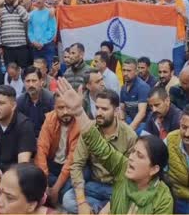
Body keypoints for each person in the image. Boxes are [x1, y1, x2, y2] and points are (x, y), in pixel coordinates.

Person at [56, 77, 173, 214]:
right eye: (133, 152)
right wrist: (78, 111)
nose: (131, 158)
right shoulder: (123, 168)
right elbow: (99, 147)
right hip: (95, 184)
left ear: (153, 169)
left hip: (110, 188)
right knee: (68, 197)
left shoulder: (163, 199)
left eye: (139, 155)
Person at [63, 89, 137, 214]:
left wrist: (110, 205)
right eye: (97, 108)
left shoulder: (130, 136)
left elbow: (129, 176)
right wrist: (81, 202)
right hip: (94, 184)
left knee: (130, 203)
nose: (99, 112)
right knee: (67, 200)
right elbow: (77, 165)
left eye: (104, 109)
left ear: (116, 111)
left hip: (116, 187)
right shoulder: (89, 129)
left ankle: (98, 209)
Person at [34, 92, 81, 205]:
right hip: (53, 165)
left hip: (71, 168)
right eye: (61, 108)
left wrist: (55, 189)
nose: (65, 112)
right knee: (35, 178)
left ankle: (58, 190)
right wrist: (44, 183)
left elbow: (72, 160)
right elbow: (41, 149)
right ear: (55, 108)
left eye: (68, 107)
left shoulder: (79, 124)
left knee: (64, 191)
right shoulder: (50, 119)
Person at [159, 0, 189, 75]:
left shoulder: (185, 3)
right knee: (163, 73)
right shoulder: (158, 6)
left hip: (178, 45)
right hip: (163, 44)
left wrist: (182, 14)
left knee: (177, 73)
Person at [0, 85, 36, 172]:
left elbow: (23, 165)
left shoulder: (24, 125)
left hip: (13, 176)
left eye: (1, 103)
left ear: (13, 106)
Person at [0, 0, 30, 69]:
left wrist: (17, 6)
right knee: (10, 73)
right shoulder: (0, 10)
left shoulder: (20, 9)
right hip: (7, 49)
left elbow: (27, 19)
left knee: (22, 72)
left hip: (21, 48)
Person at [17, 66, 54, 137]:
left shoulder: (50, 99)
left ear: (41, 82)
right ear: (24, 83)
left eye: (34, 81)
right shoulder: (20, 101)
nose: (31, 85)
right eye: (28, 81)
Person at [120, 58, 151, 135]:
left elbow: (142, 113)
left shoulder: (143, 87)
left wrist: (128, 130)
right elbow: (122, 109)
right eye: (124, 70)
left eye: (129, 70)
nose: (125, 73)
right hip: (129, 119)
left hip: (143, 122)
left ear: (136, 72)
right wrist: (123, 124)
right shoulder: (123, 88)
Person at [28, 0, 57, 71]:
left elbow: (52, 30)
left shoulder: (50, 13)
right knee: (37, 70)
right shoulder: (31, 14)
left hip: (47, 46)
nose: (38, 1)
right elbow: (30, 30)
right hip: (35, 47)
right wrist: (33, 41)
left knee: (49, 69)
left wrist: (42, 42)